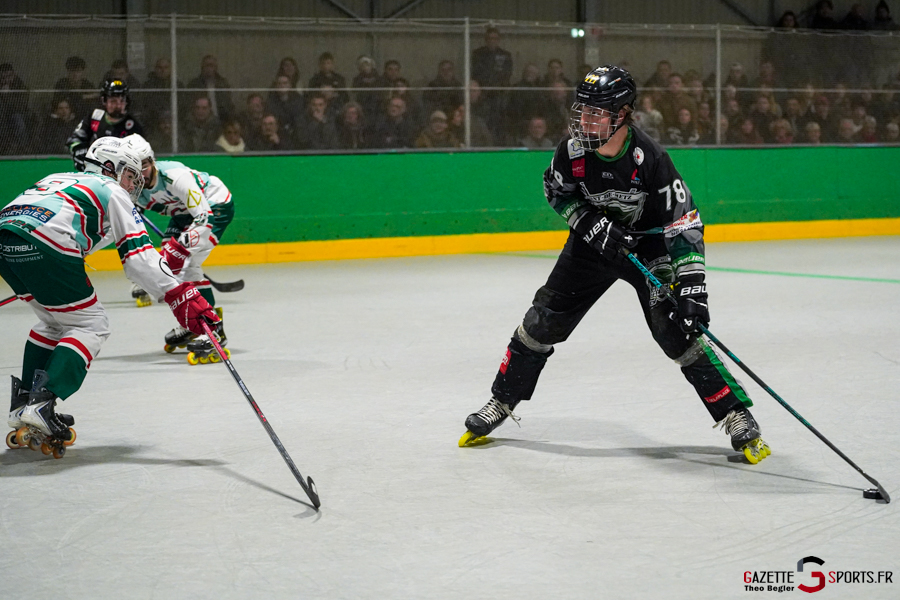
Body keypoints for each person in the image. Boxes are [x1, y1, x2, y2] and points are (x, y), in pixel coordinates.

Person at [459, 66, 771, 466]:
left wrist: (693, 287)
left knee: (674, 328)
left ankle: (734, 413)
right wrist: (589, 223)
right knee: (543, 320)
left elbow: (683, 220)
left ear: (622, 115)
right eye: (582, 111)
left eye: (596, 113)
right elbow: (556, 192)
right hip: (594, 246)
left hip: (647, 248)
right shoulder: (571, 151)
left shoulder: (651, 159)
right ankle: (501, 400)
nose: (584, 122)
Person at [2, 137, 218, 455]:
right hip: (46, 245)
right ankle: (42, 402)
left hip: (7, 240)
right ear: (110, 168)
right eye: (130, 175)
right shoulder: (111, 189)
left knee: (53, 322)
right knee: (92, 324)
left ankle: (22, 405)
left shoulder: (57, 179)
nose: (134, 185)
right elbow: (138, 260)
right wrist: (179, 295)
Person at [124, 134, 234, 364]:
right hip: (183, 214)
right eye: (133, 168)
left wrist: (181, 248)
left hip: (215, 205)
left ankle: (213, 330)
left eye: (143, 165)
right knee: (168, 269)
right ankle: (197, 323)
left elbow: (204, 217)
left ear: (152, 161)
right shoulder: (133, 187)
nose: (140, 173)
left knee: (187, 264)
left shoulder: (175, 176)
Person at [67, 79, 144, 171]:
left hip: (119, 174)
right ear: (104, 101)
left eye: (122, 101)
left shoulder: (133, 126)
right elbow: (75, 139)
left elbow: (140, 155)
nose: (118, 105)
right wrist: (78, 150)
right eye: (113, 101)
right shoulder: (95, 116)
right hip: (93, 169)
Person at [186, 55, 235, 121]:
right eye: (206, 65)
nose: (209, 69)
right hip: (200, 121)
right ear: (202, 67)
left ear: (216, 68)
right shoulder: (194, 85)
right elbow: (189, 107)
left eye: (211, 66)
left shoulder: (223, 84)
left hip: (222, 120)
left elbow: (229, 105)